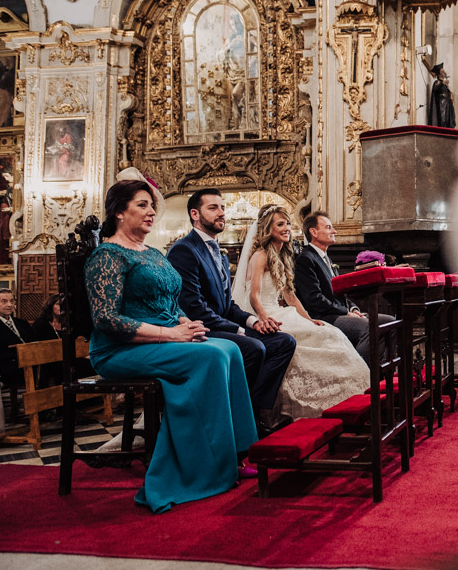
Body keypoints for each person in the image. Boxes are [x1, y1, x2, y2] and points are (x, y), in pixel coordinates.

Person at [84, 179, 257, 512]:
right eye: (142, 205)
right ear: (120, 212)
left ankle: (235, 454)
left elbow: (168, 300)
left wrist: (182, 322)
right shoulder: (106, 256)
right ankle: (204, 467)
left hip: (163, 337)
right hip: (119, 350)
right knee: (208, 358)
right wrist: (170, 335)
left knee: (230, 350)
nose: (151, 212)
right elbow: (106, 320)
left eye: (152, 206)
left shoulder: (151, 252)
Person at [167, 189, 296, 436]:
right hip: (199, 329)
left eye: (222, 207)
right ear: (195, 214)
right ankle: (235, 421)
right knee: (254, 348)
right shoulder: (184, 250)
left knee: (283, 342)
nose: (221, 213)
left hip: (220, 325)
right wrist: (238, 330)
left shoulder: (220, 253)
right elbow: (194, 308)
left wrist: (253, 321)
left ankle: (252, 413)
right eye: (213, 208)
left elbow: (227, 306)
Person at [232, 204, 369, 420]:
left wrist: (309, 319)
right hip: (266, 314)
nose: (287, 228)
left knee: (329, 333)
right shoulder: (260, 255)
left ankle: (351, 398)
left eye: (287, 223)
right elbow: (254, 296)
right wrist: (263, 317)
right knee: (320, 340)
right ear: (268, 228)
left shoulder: (283, 256)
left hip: (282, 311)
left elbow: (290, 297)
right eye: (280, 224)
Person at [294, 211, 395, 365]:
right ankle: (359, 373)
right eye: (328, 227)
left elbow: (340, 293)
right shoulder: (306, 259)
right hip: (324, 317)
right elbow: (314, 299)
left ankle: (382, 373)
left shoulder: (326, 258)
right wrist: (345, 312)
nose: (334, 231)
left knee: (390, 322)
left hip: (340, 312)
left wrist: (353, 309)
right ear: (313, 232)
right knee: (369, 327)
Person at [0, 288, 35, 388]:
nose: (9, 305)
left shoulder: (22, 323)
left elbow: (34, 343)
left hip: (30, 364)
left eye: (12, 301)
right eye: (4, 301)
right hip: (6, 369)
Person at [427, 62, 456, 129]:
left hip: (447, 105)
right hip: (441, 105)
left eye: (444, 71)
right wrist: (442, 82)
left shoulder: (444, 85)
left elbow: (446, 91)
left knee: (447, 120)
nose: (444, 72)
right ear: (439, 73)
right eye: (442, 71)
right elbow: (435, 88)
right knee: (442, 121)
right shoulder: (437, 82)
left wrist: (450, 94)